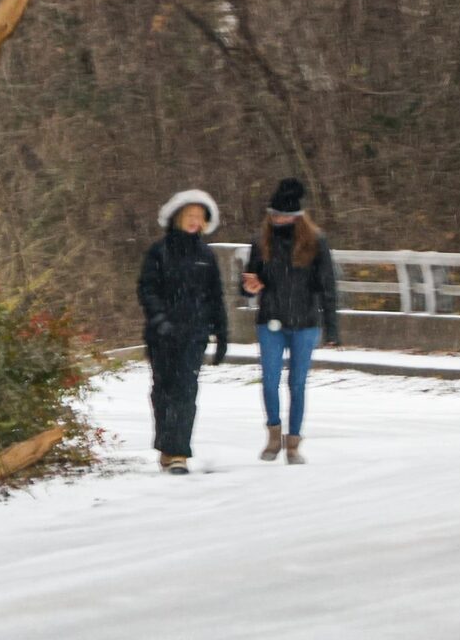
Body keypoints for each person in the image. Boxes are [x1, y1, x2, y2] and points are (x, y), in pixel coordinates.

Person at [239, 178, 339, 463]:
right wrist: (249, 286)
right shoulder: (260, 242)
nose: (278, 220)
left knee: (297, 383)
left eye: (283, 216)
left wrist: (332, 328)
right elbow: (248, 278)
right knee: (269, 381)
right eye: (274, 215)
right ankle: (273, 436)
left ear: (297, 217)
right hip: (270, 320)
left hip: (305, 322)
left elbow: (328, 287)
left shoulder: (316, 242)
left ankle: (293, 442)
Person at [138, 189, 229, 474]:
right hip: (162, 334)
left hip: (194, 333)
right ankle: (167, 445)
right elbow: (147, 288)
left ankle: (179, 453)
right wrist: (160, 319)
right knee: (163, 391)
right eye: (190, 216)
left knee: (186, 391)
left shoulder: (206, 255)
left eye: (200, 218)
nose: (194, 221)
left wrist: (222, 333)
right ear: (177, 217)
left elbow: (216, 295)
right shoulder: (159, 251)